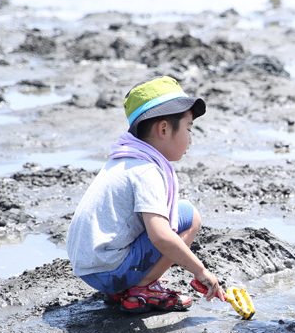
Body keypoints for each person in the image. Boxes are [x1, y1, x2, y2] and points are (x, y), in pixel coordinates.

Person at [67, 76, 226, 314]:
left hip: (89, 266)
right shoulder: (146, 171)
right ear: (163, 129)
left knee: (177, 212)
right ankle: (141, 289)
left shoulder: (125, 157)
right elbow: (161, 236)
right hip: (108, 270)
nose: (190, 138)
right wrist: (200, 270)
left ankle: (124, 288)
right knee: (189, 217)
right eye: (188, 128)